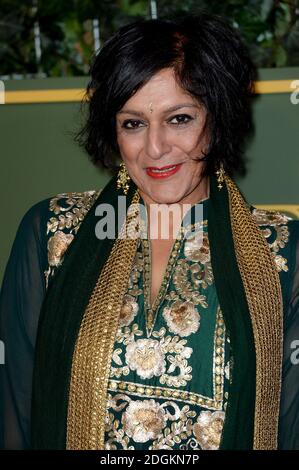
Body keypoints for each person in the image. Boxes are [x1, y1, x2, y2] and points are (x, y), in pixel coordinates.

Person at [0, 12, 298, 451]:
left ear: (217, 119)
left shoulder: (285, 249)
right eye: (133, 123)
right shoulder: (53, 232)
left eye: (179, 118)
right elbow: (15, 407)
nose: (155, 148)